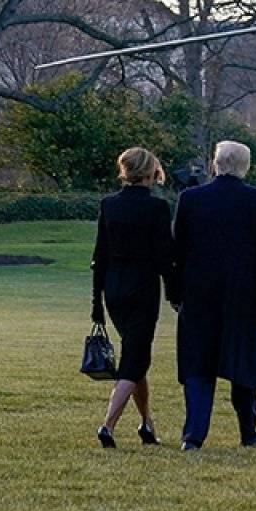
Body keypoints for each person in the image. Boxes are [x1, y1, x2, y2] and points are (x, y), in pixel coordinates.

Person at [172, 140, 256, 450]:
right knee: (243, 363)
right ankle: (248, 432)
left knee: (198, 365)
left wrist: (175, 293)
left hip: (198, 294)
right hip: (244, 296)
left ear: (214, 164)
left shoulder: (190, 199)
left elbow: (177, 251)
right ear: (246, 166)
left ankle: (193, 436)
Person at [91, 147, 175, 448]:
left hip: (114, 287)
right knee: (136, 358)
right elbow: (165, 257)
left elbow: (99, 256)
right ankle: (107, 425)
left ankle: (146, 424)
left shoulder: (109, 205)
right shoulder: (157, 208)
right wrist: (175, 294)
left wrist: (96, 303)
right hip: (143, 288)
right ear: (151, 173)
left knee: (134, 354)